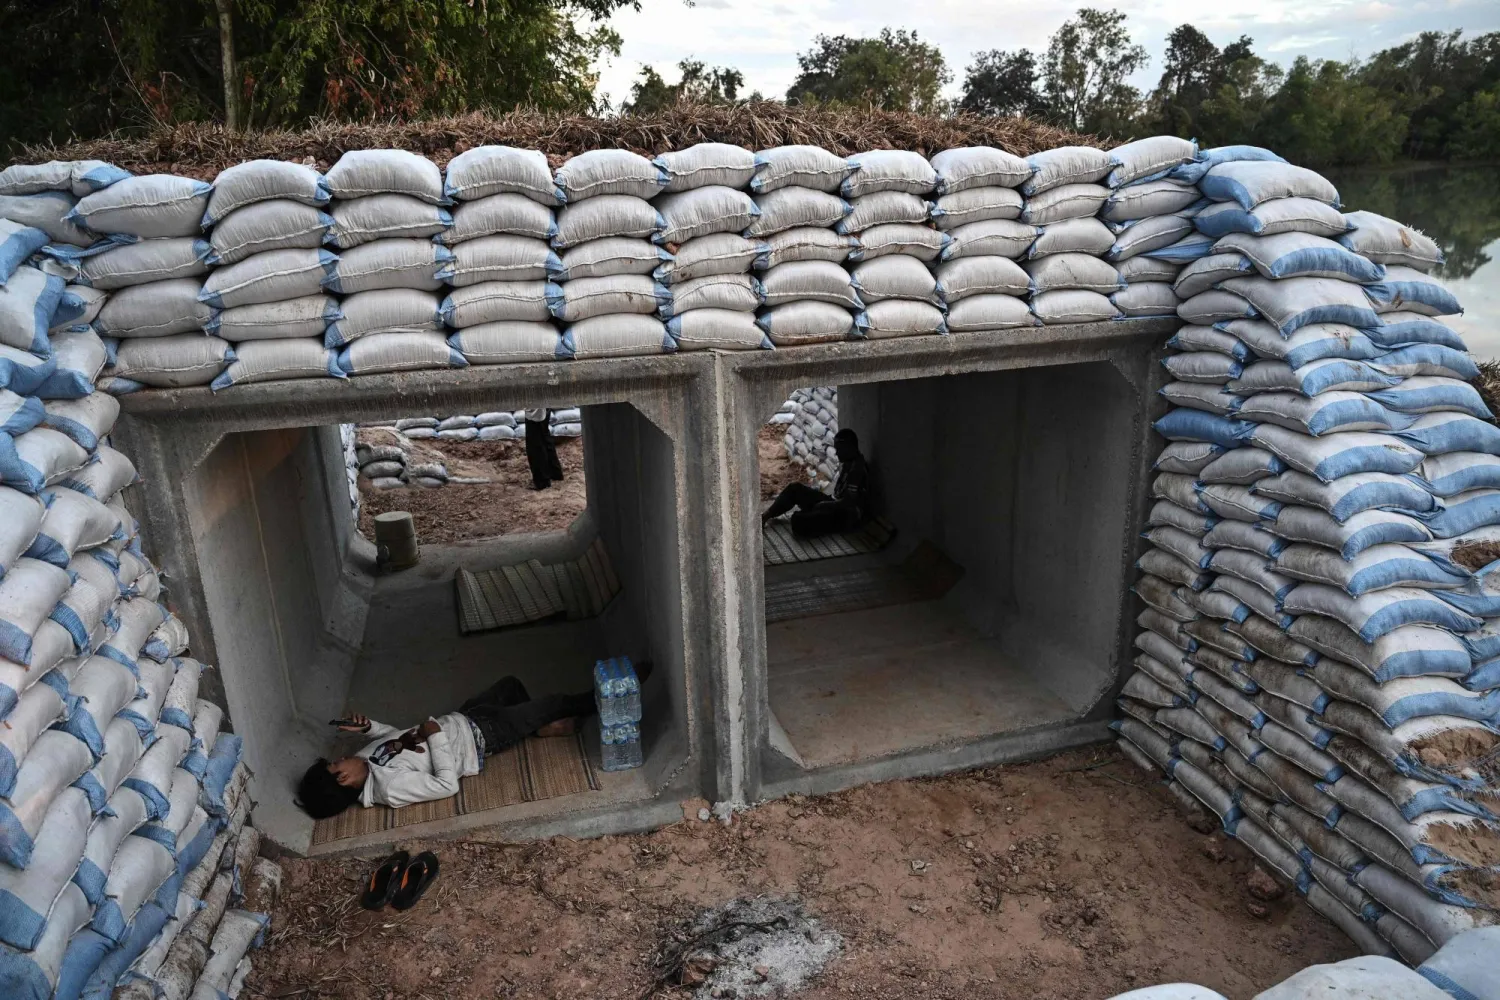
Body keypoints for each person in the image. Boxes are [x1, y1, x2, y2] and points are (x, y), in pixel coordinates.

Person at [296, 670, 641, 819]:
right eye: (335, 765)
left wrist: (370, 728)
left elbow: (395, 739)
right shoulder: (390, 787)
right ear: (343, 780)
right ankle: (611, 696)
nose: (339, 758)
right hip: (481, 737)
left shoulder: (363, 761)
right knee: (556, 702)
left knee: (510, 685)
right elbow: (445, 785)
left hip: (464, 717)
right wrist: (434, 736)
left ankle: (539, 728)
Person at [762, 427, 871, 538]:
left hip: (845, 515)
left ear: (849, 448)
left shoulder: (857, 469)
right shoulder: (849, 462)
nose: (836, 453)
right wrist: (824, 503)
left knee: (798, 521)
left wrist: (825, 505)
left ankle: (811, 514)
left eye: (839, 449)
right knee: (794, 488)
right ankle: (765, 516)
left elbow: (848, 503)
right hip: (835, 504)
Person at [524, 407, 564, 491]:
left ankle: (542, 481)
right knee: (544, 435)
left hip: (535, 405)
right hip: (543, 402)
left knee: (535, 442)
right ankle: (555, 473)